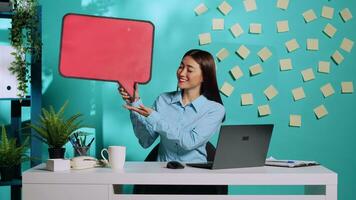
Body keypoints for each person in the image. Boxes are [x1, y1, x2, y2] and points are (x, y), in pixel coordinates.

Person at [119, 49, 225, 163]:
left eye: (189, 69)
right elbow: (145, 140)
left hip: (194, 175)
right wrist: (135, 103)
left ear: (204, 76)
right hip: (162, 173)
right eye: (181, 67)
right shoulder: (163, 100)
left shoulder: (215, 109)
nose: (182, 73)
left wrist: (154, 117)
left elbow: (190, 142)